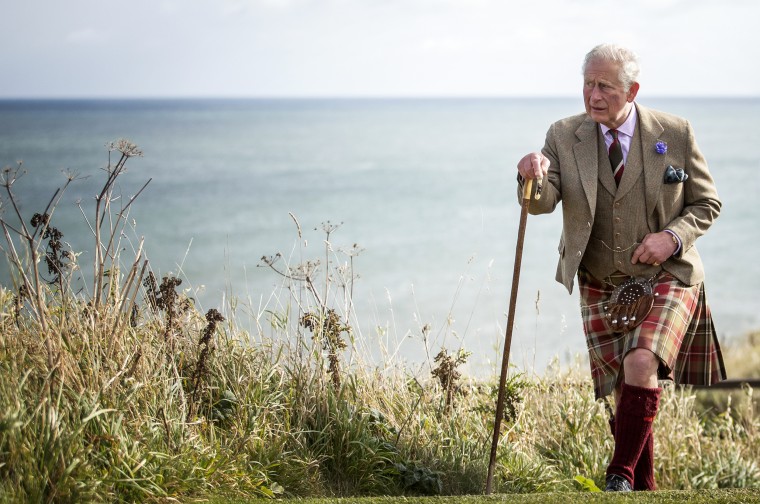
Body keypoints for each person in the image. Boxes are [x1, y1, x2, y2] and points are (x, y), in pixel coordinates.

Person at [516, 43, 726, 492]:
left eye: (604, 86)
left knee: (641, 359)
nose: (593, 94)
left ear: (631, 89)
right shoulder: (563, 135)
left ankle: (619, 475)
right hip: (602, 282)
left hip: (668, 274)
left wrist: (671, 237)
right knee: (624, 390)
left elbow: (707, 203)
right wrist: (529, 176)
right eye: (588, 83)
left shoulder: (676, 132)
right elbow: (541, 204)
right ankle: (642, 487)